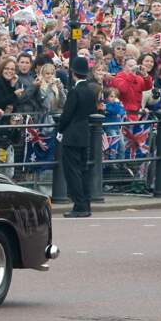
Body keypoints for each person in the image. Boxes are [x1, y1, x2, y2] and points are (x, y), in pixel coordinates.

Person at [58, 58, 98, 218]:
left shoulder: (75, 91)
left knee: (72, 172)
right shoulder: (90, 90)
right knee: (82, 170)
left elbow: (67, 114)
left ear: (73, 73)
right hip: (84, 135)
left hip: (72, 135)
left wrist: (60, 130)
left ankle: (79, 205)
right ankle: (85, 204)